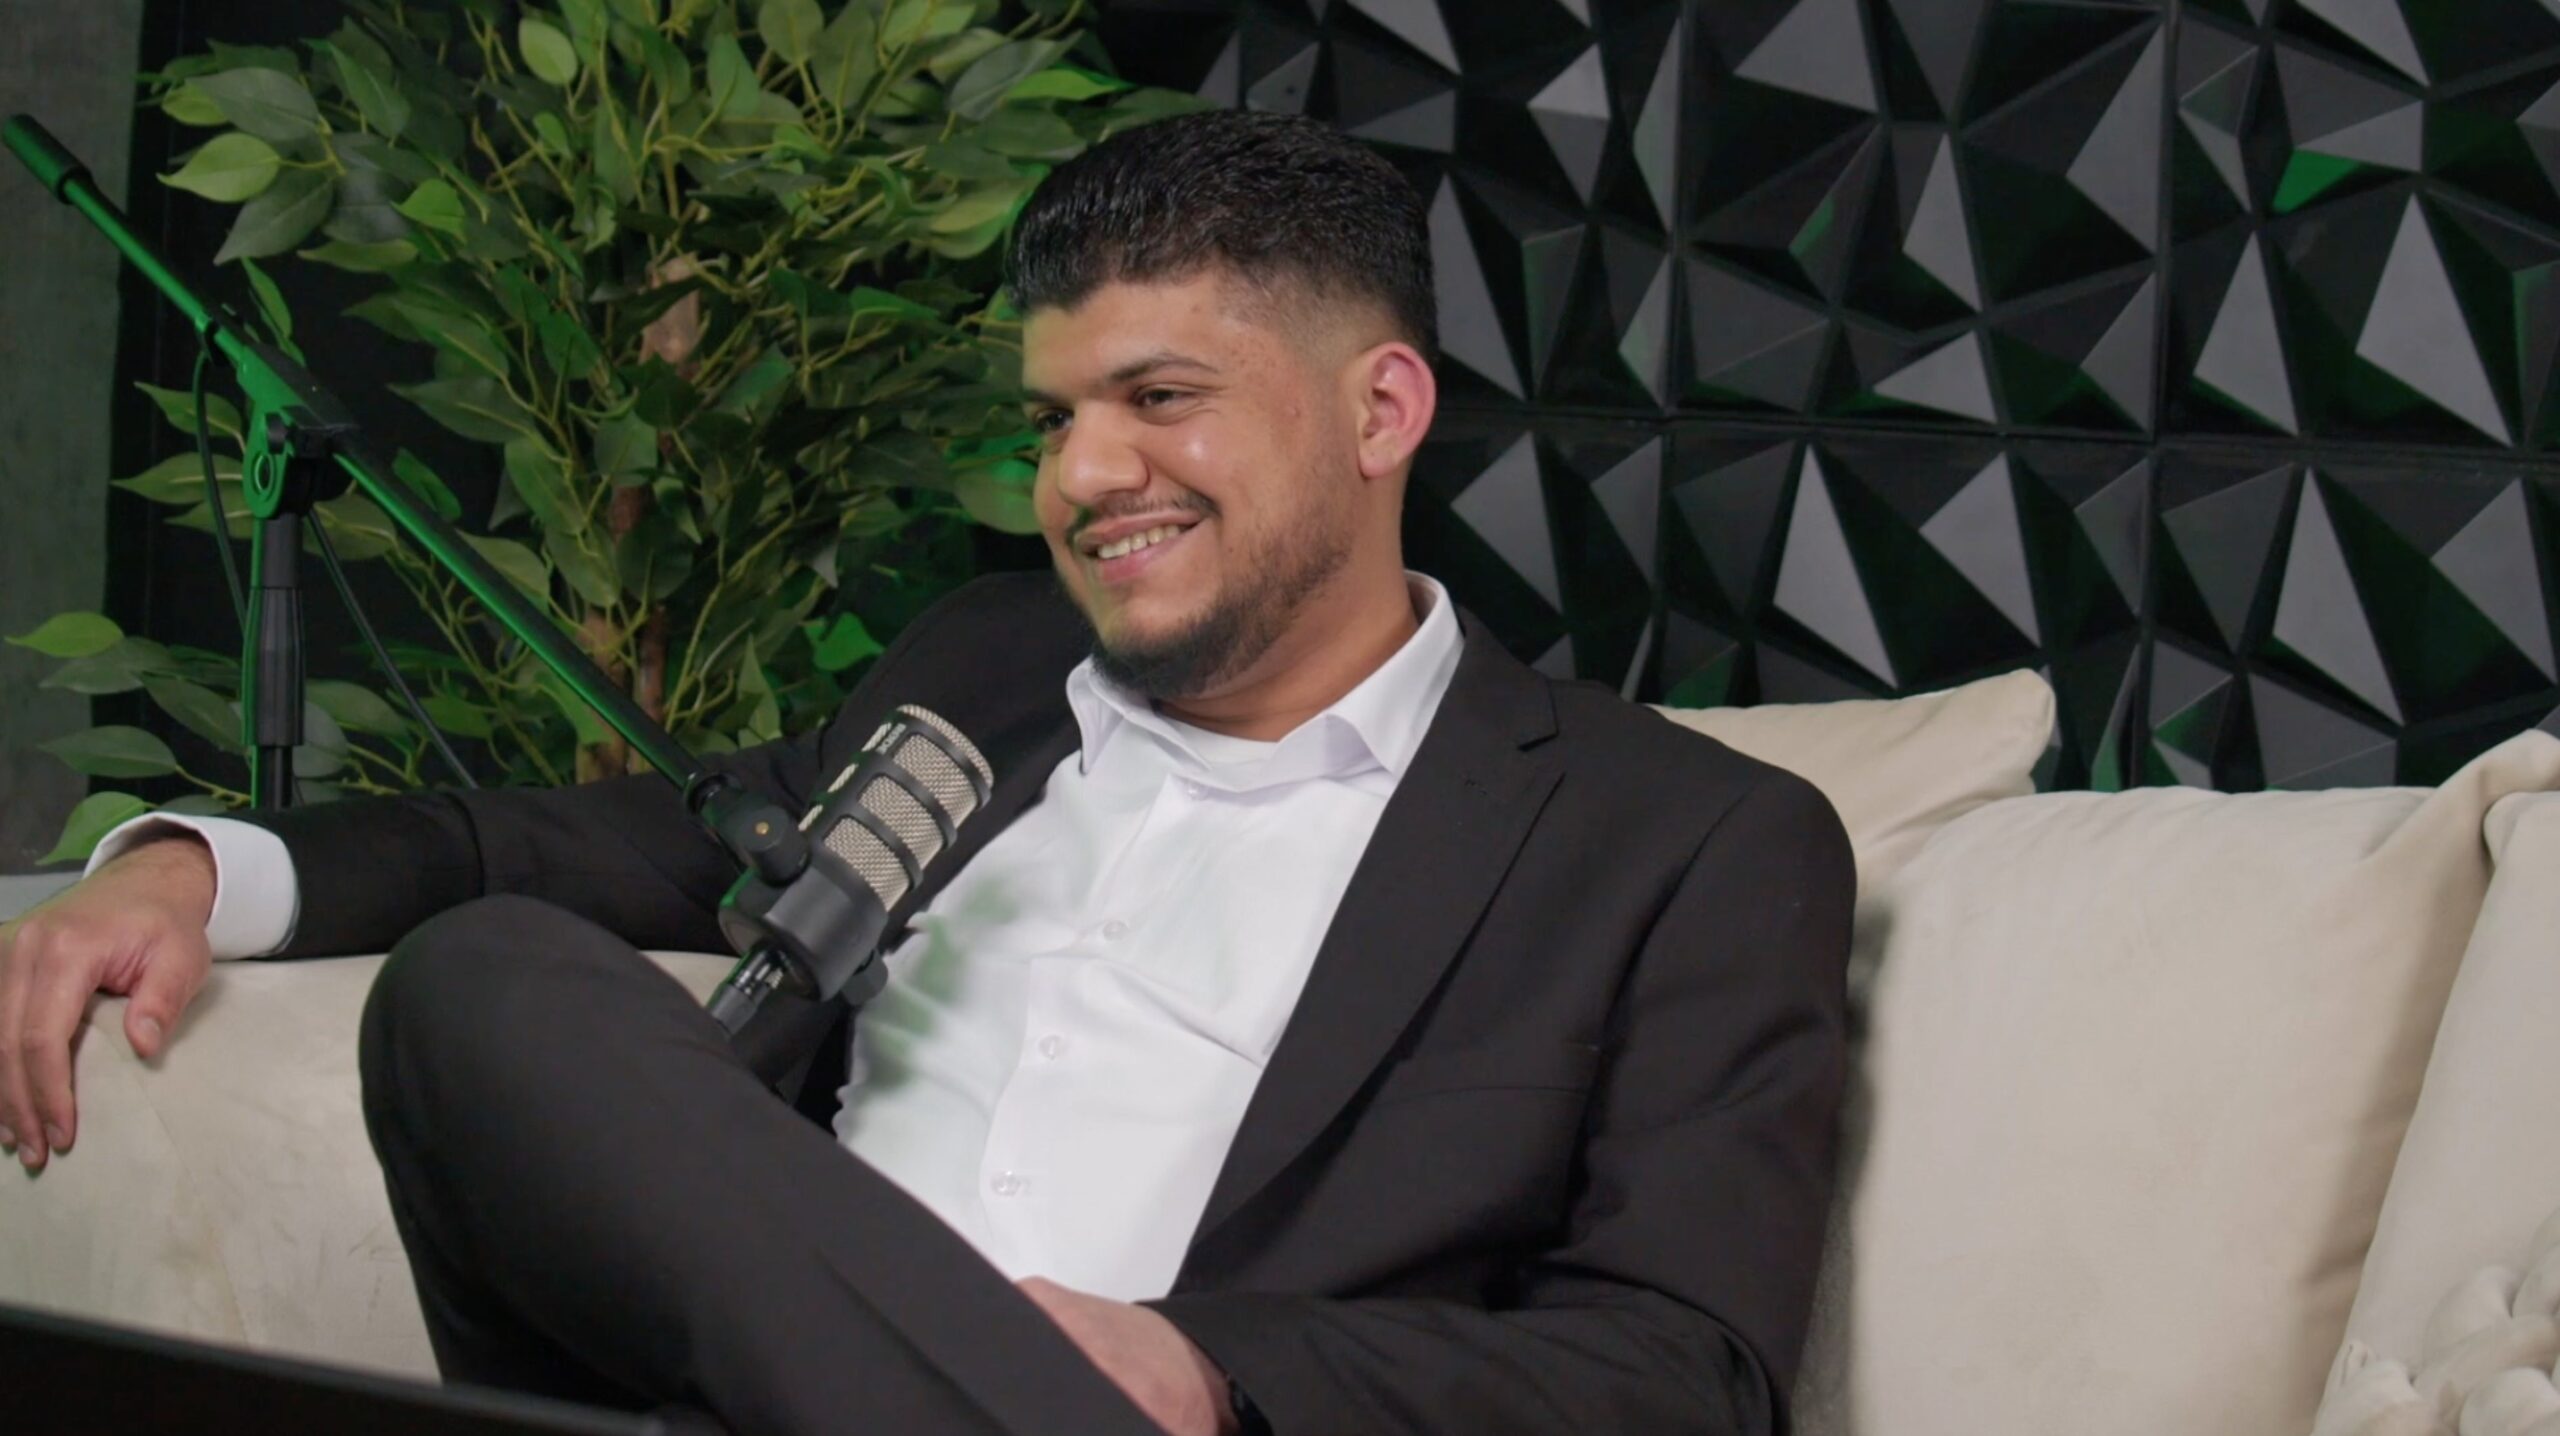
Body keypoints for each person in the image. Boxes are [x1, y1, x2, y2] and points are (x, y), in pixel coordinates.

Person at [0, 111, 1854, 1436]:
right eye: (1057, 419)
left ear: (1382, 411)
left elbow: (1682, 1371)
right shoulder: (984, 678)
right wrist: (191, 868)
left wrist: (1212, 1369)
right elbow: (561, 846)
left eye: (1161, 398)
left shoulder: (1678, 839)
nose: (1082, 478)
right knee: (486, 983)